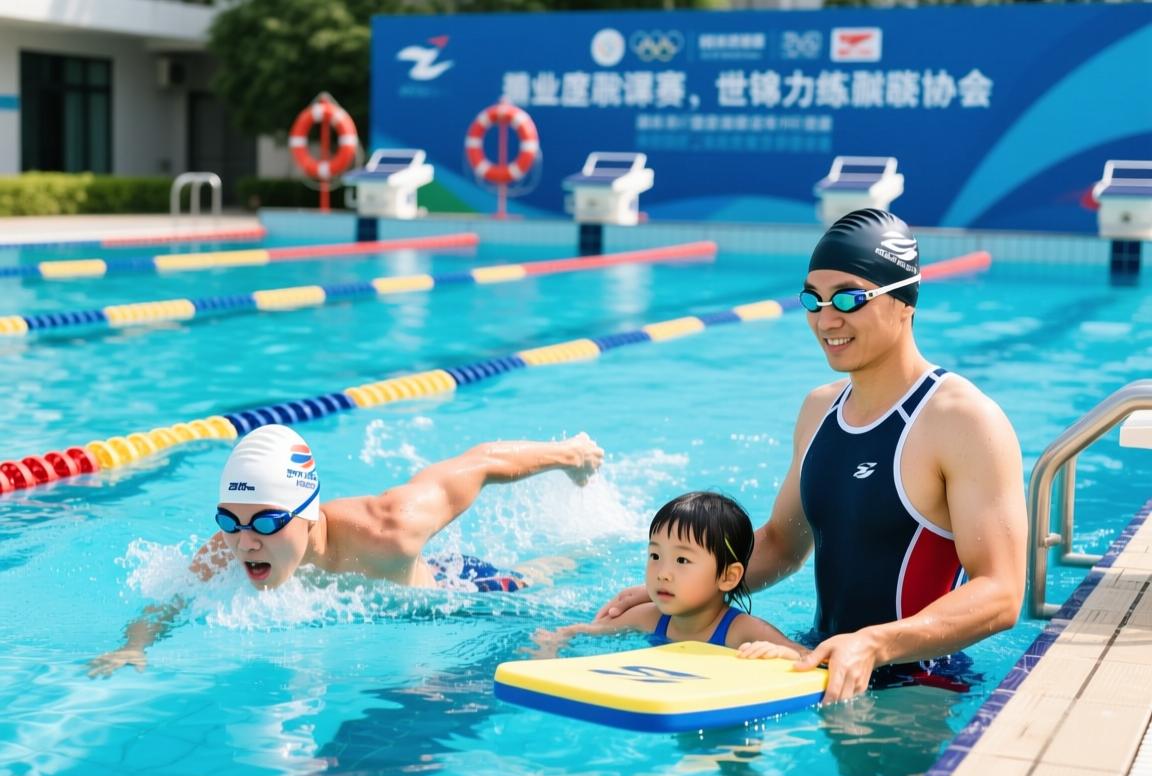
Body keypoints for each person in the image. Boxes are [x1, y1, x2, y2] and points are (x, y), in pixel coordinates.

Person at [597, 208, 1027, 703]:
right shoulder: (820, 409)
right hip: (814, 663)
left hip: (919, 687)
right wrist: (681, 586)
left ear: (904, 301)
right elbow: (783, 543)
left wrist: (874, 644)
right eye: (813, 300)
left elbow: (1001, 592)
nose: (826, 320)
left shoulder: (962, 419)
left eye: (848, 298)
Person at [89, 423, 604, 676]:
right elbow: (171, 599)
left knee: (542, 576)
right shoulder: (228, 546)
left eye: (266, 522)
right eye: (230, 520)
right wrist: (135, 645)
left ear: (308, 513)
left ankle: (580, 551)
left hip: (458, 590)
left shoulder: (389, 527)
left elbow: (480, 464)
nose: (245, 542)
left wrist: (570, 455)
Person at [533, 491, 804, 656]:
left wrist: (780, 654)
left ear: (728, 577)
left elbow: (807, 657)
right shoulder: (649, 617)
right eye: (655, 556)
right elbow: (583, 631)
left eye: (682, 560)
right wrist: (555, 641)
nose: (663, 573)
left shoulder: (742, 631)